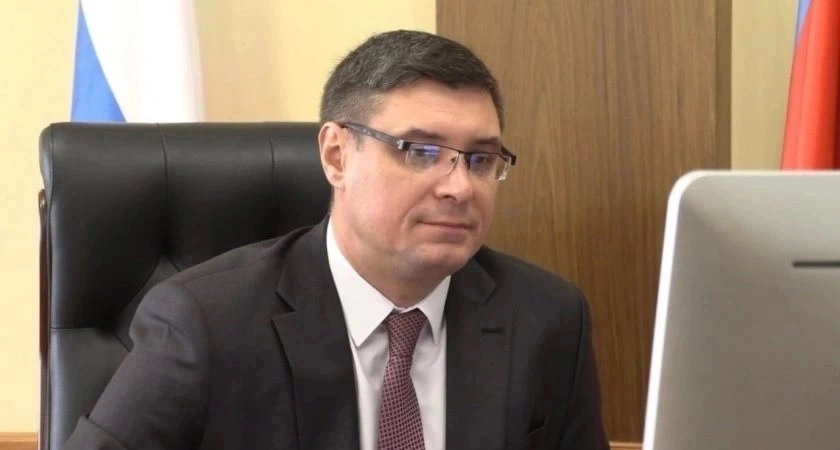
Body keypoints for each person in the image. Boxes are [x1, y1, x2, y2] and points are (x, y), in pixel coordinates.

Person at [63, 29, 608, 450]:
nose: (460, 187)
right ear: (336, 156)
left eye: (481, 160)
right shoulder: (205, 322)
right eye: (420, 152)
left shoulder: (546, 318)